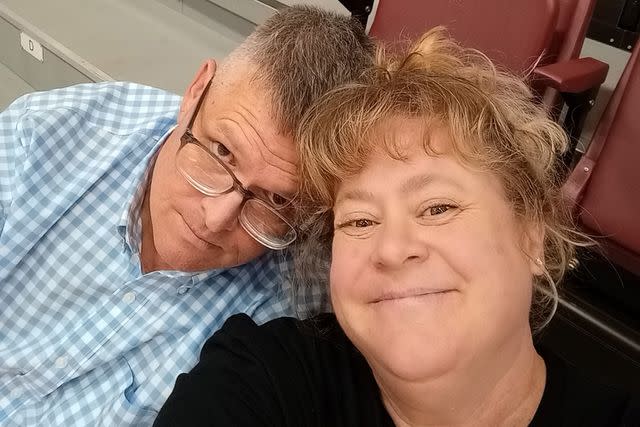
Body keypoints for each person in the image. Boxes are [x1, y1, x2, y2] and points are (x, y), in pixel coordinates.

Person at [154, 28, 640, 426]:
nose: (391, 248)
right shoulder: (264, 377)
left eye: (437, 208)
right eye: (360, 219)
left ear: (532, 235)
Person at [0, 6, 373, 426]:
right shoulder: (46, 136)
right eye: (221, 152)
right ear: (195, 92)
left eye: (275, 200)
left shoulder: (294, 307)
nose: (216, 218)